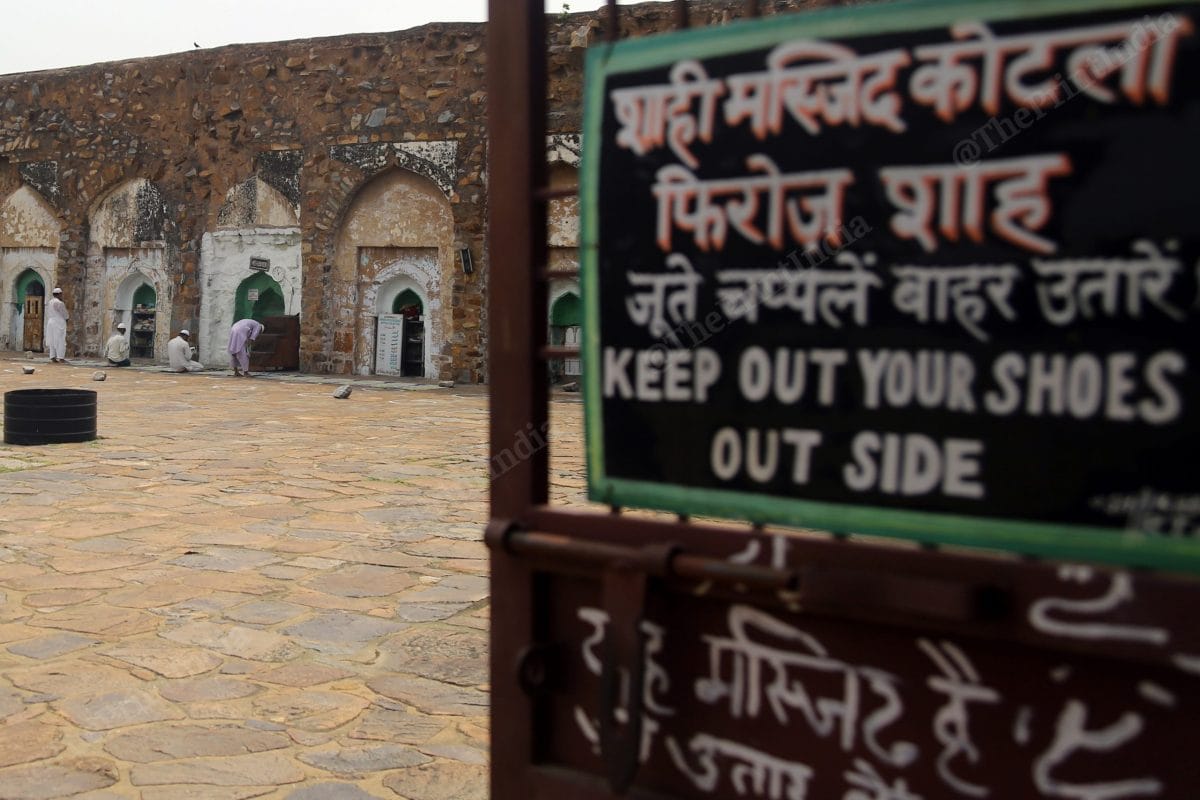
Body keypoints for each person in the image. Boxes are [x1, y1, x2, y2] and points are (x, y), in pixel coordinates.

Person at [45, 287, 69, 363]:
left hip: (50, 322)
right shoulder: (59, 303)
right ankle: (61, 357)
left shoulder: (50, 302)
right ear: (59, 294)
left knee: (52, 339)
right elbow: (64, 313)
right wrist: (67, 318)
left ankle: (52, 356)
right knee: (60, 340)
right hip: (58, 322)